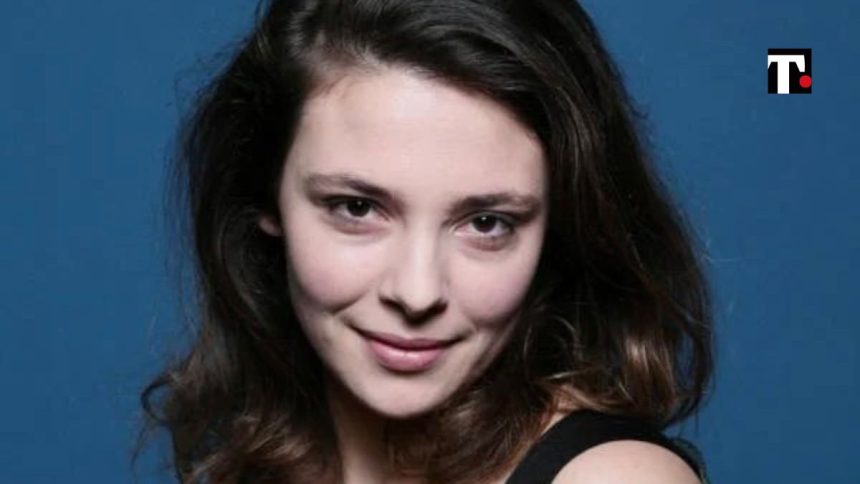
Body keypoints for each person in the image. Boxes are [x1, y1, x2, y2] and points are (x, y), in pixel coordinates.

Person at [140, 0, 714, 483]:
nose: (417, 293)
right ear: (264, 197)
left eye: (486, 223)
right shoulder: (259, 463)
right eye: (357, 208)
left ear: (557, 227)